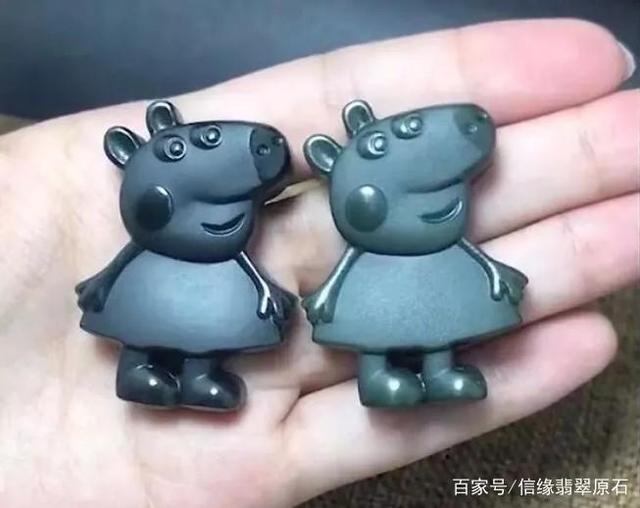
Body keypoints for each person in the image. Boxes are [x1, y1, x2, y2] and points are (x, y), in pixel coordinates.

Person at [0, 18, 637, 508]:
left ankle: (435, 373)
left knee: (436, 329)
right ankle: (154, 371)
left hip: (417, 276)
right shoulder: (176, 235)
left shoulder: (401, 229)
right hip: (175, 282)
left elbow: (433, 252)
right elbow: (154, 260)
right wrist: (106, 282)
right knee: (170, 332)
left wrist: (492, 273)